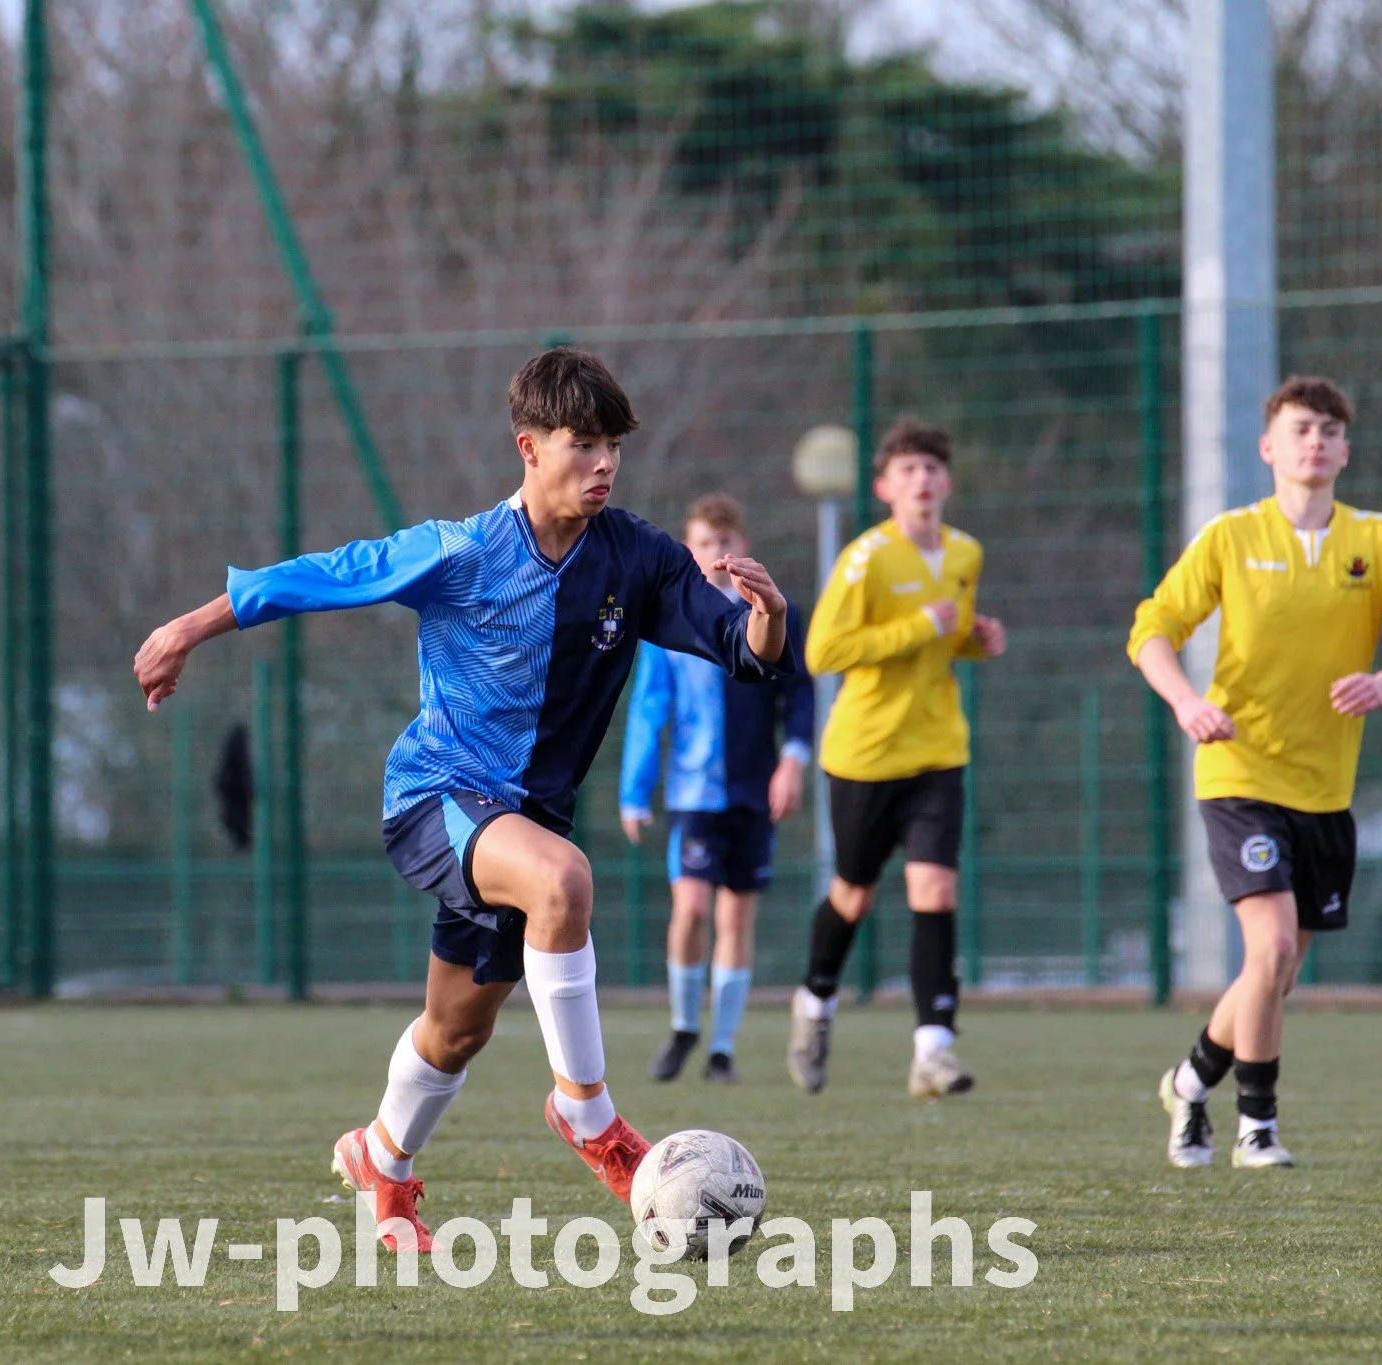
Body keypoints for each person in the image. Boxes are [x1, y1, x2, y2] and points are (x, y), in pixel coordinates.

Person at [132, 348, 794, 1252]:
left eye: (613, 446)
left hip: (522, 823)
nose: (604, 463)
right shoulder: (465, 552)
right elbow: (325, 574)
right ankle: (590, 1117)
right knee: (564, 881)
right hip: (437, 797)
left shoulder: (636, 556)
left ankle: (382, 1162)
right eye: (583, 443)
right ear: (529, 446)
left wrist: (768, 618)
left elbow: (740, 647)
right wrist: (186, 627)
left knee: (455, 1031)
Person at [1131, 375, 1382, 1170]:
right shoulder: (1232, 535)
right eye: (1301, 429)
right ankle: (1257, 1127)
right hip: (1239, 772)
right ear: (1268, 447)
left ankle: (1189, 1082)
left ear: (1346, 451)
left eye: (1329, 431)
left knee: (1276, 971)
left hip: (1325, 789)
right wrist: (1185, 701)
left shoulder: (1376, 539)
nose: (1316, 442)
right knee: (1270, 948)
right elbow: (1152, 629)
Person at [785, 417, 1005, 1100]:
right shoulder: (866, 559)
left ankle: (933, 1049)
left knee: (934, 890)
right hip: (866, 755)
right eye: (908, 469)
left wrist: (974, 640)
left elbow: (949, 637)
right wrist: (919, 626)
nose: (922, 480)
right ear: (884, 487)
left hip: (937, 750)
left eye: (932, 468)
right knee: (853, 894)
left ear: (948, 482)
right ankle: (815, 1000)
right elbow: (822, 652)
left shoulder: (966, 552)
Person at [619, 493, 815, 1085]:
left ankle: (722, 1049)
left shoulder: (775, 614)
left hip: (752, 792)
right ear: (688, 548)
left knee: (736, 918)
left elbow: (799, 698)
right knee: (691, 909)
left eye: (725, 543)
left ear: (743, 548)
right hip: (693, 794)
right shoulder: (669, 622)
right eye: (704, 543)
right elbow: (649, 710)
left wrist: (793, 762)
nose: (715, 554)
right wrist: (634, 792)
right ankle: (684, 1026)